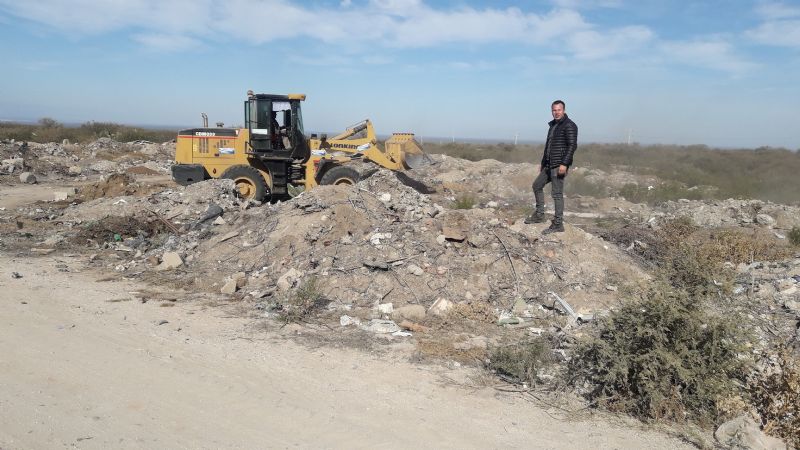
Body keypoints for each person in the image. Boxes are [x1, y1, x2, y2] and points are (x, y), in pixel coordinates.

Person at [524, 100, 578, 234]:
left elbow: (572, 146)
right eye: (554, 110)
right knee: (536, 185)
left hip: (559, 165)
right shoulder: (553, 125)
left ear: (564, 110)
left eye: (559, 110)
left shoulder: (569, 125)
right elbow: (548, 146)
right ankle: (539, 215)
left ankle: (558, 224)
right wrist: (543, 162)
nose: (556, 112)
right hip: (549, 165)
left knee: (557, 194)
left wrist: (564, 164)